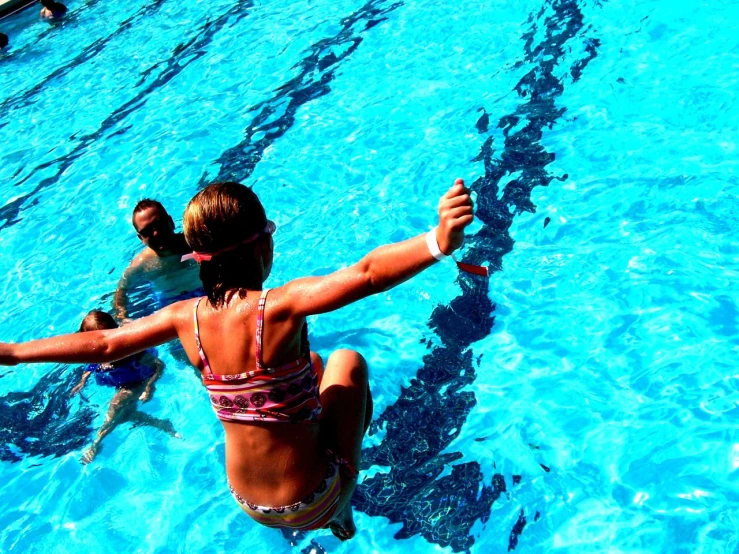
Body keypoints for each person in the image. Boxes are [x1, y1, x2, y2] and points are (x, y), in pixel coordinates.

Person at [0, 179, 474, 539]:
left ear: (198, 258)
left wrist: (14, 352)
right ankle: (343, 509)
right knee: (347, 361)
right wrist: (438, 242)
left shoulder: (184, 317)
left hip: (248, 502)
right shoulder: (281, 305)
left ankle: (328, 501)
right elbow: (367, 273)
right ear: (262, 244)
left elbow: (103, 345)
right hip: (315, 498)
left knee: (307, 361)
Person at [71, 310, 177, 463]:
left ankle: (95, 444)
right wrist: (83, 380)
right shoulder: (98, 350)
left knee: (115, 407)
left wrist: (149, 387)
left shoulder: (131, 352)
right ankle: (157, 423)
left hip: (138, 381)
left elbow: (159, 365)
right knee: (125, 414)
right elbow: (92, 364)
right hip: (122, 380)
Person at [114, 199, 202, 322]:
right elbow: (121, 291)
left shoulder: (197, 243)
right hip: (170, 305)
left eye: (159, 224)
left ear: (171, 222)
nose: (156, 233)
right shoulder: (142, 263)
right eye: (147, 231)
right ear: (141, 238)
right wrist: (122, 317)